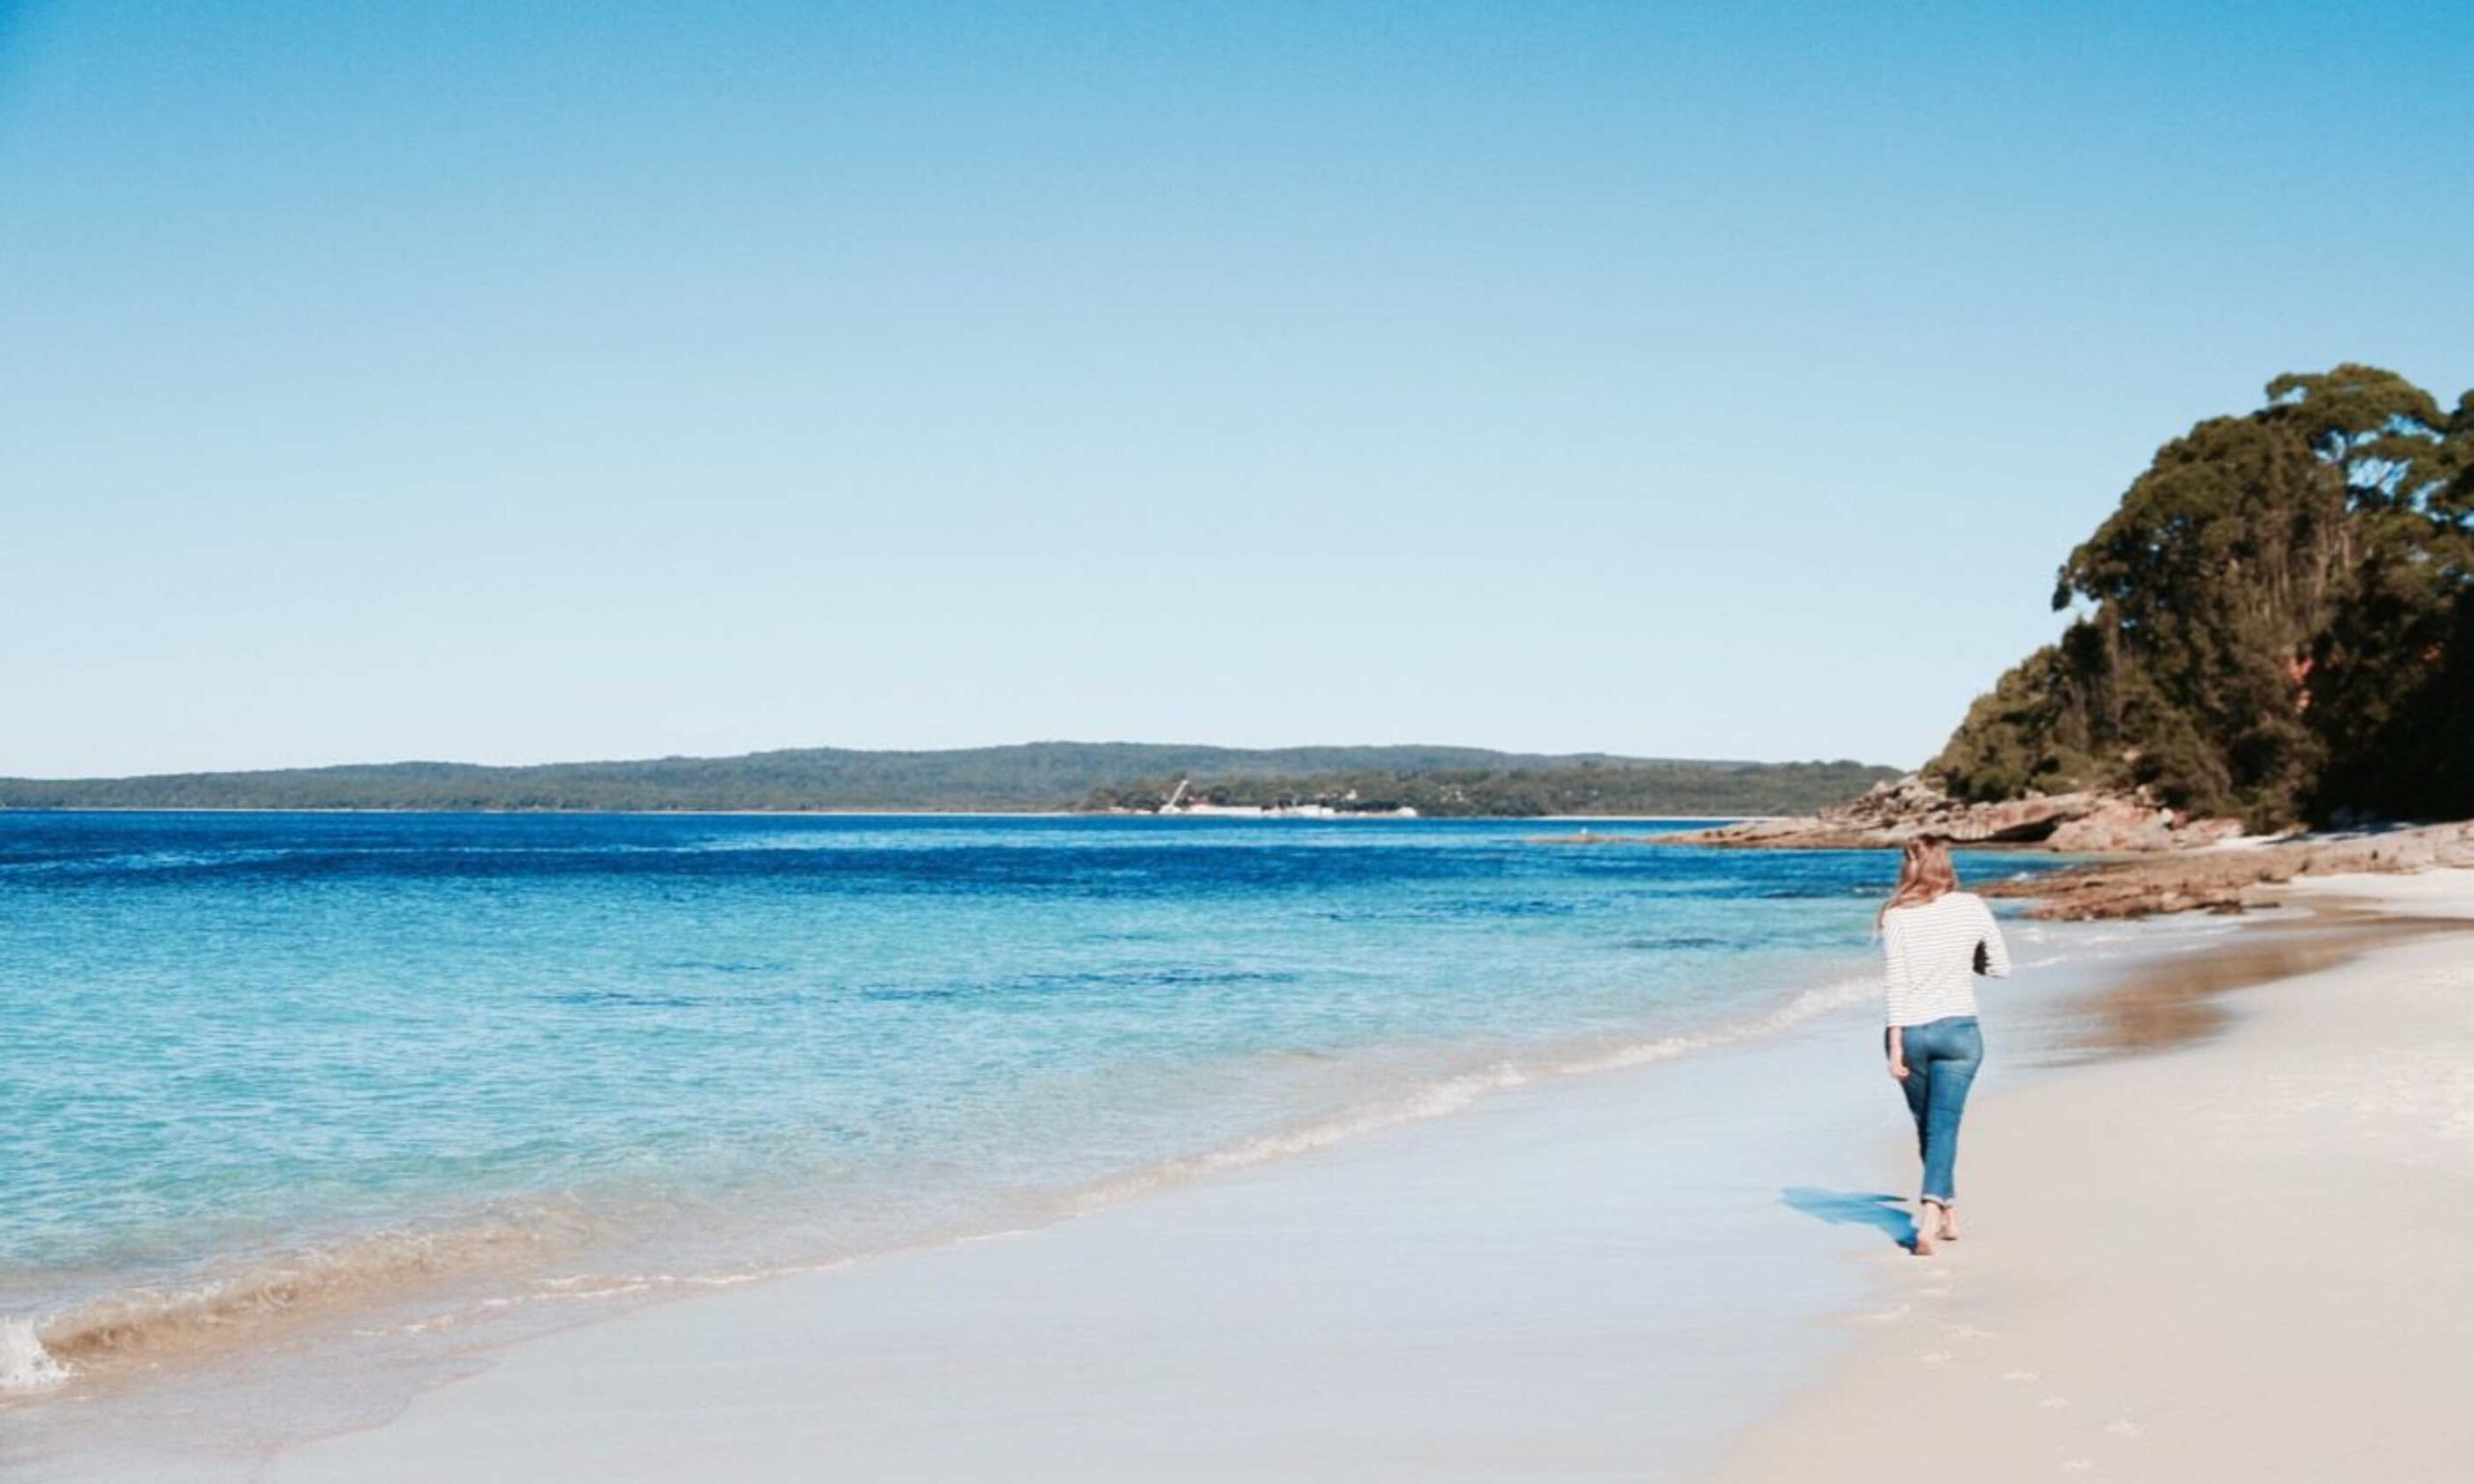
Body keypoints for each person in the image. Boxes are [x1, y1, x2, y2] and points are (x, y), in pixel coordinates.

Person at [1878, 835, 2010, 1255]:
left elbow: (1896, 982)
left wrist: (1896, 1046)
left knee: (1929, 1126)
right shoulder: (1972, 906)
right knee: (1944, 1124)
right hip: (1959, 1032)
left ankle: (1932, 1216)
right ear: (1945, 864)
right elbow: (2000, 968)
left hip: (1911, 1034)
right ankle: (1942, 1211)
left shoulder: (1896, 916)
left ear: (1910, 867)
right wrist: (1969, 960)